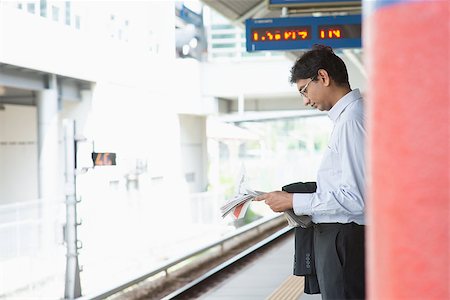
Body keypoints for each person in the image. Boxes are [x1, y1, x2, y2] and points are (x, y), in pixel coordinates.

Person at [255, 44, 366, 300]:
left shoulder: (351, 121)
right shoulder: (350, 118)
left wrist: (294, 200)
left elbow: (356, 198)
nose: (305, 100)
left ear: (323, 77)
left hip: (345, 242)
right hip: (343, 241)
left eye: (304, 90)